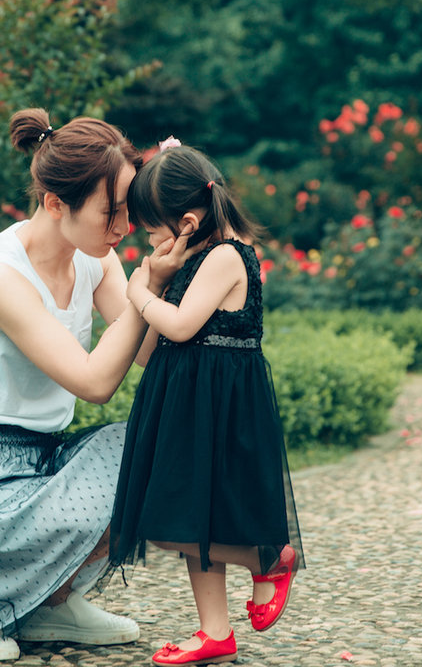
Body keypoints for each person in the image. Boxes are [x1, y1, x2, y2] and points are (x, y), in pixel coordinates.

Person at [0, 109, 197, 662]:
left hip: (42, 462)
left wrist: (187, 273)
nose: (124, 227)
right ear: (56, 203)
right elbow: (94, 381)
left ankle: (49, 603)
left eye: (127, 210)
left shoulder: (96, 261)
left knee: (160, 447)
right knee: (139, 450)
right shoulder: (1, 277)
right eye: (111, 212)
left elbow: (146, 351)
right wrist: (147, 286)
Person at [108, 139, 304, 666]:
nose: (149, 241)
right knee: (188, 518)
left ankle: (267, 560)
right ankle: (214, 631)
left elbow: (179, 326)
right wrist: (156, 284)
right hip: (185, 404)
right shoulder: (190, 261)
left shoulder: (224, 257)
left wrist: (140, 290)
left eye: (152, 230)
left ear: (188, 222)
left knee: (188, 522)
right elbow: (149, 352)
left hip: (218, 407)